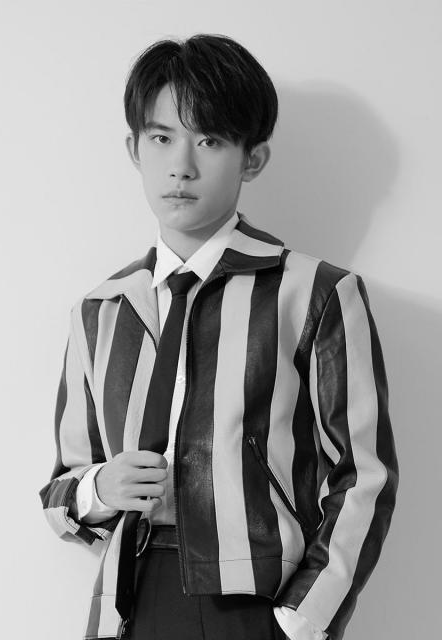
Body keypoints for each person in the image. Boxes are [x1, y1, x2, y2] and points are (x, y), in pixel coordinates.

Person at [39, 34, 397, 640]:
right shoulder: (100, 309)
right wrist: (100, 487)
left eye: (209, 140)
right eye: (161, 138)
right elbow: (61, 490)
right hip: (129, 604)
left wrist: (301, 620)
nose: (181, 165)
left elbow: (365, 476)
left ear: (252, 159)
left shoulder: (314, 292)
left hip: (256, 602)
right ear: (134, 150)